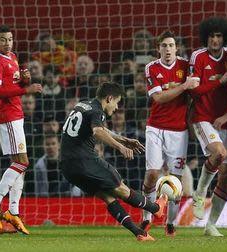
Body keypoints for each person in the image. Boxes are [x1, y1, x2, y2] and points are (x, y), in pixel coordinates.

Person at [60, 82, 167, 241]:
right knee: (121, 189)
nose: (116, 108)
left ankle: (139, 233)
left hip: (67, 167)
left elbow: (99, 128)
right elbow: (97, 132)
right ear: (109, 98)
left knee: (107, 196)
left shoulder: (83, 104)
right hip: (85, 161)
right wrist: (120, 147)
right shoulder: (98, 111)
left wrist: (123, 139)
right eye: (116, 102)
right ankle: (156, 208)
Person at [0, 25, 43, 235]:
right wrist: (26, 89)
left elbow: (13, 83)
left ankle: (13, 212)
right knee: (22, 162)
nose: (7, 43)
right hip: (6, 115)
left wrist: (24, 79)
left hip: (15, 114)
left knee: (19, 164)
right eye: (3, 40)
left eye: (10, 39)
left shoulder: (13, 57)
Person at [141, 30, 199, 236]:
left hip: (179, 131)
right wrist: (184, 86)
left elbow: (196, 93)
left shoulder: (186, 66)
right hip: (155, 127)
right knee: (153, 173)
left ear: (177, 48)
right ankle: (146, 218)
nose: (168, 49)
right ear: (158, 48)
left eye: (171, 45)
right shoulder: (151, 67)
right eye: (164, 45)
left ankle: (171, 223)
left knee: (175, 179)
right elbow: (159, 98)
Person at [188, 17, 227, 236]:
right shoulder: (198, 57)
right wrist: (220, 80)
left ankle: (211, 225)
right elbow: (194, 91)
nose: (215, 40)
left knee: (226, 175)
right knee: (219, 153)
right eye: (211, 36)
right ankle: (199, 192)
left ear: (224, 37)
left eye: (218, 36)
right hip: (204, 117)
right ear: (205, 37)